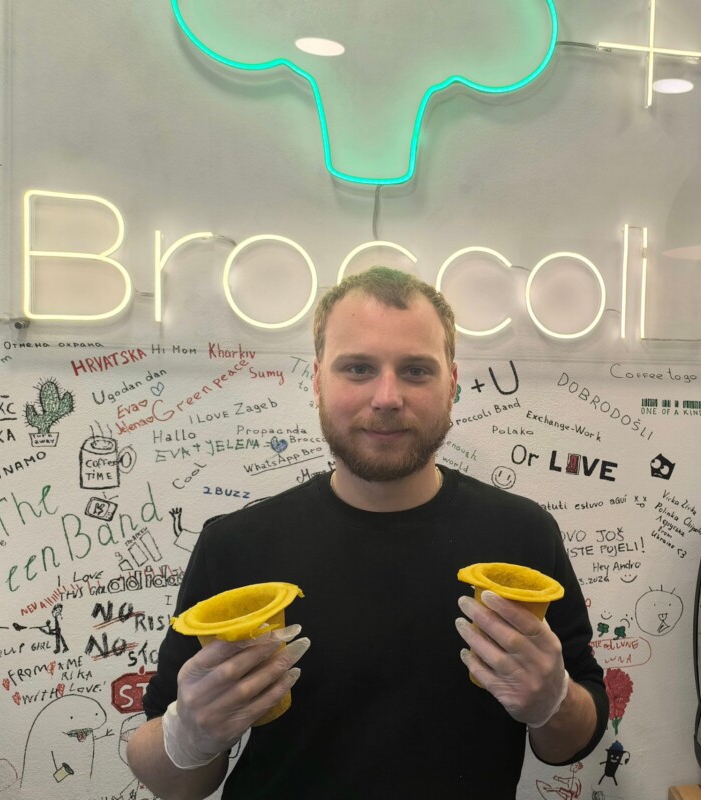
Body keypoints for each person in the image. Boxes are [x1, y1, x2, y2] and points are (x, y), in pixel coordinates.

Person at [127, 267, 608, 798]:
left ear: (452, 383)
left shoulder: (524, 536)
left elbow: (568, 744)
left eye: (416, 371)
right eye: (358, 368)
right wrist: (189, 736)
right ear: (317, 381)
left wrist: (554, 701)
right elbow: (172, 781)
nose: (386, 397)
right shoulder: (236, 545)